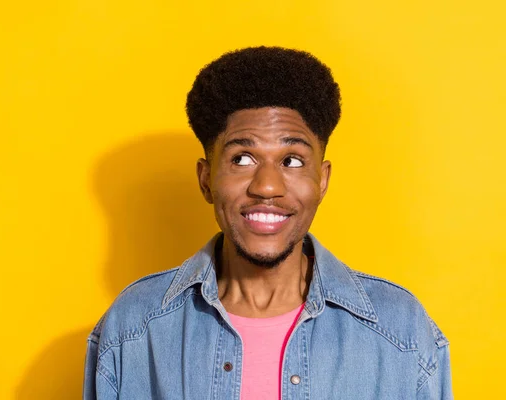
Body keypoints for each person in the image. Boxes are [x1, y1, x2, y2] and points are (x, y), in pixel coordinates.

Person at [83, 46, 452, 399]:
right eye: (242, 158)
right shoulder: (133, 327)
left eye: (292, 160)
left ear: (321, 181)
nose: (267, 186)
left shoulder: (400, 331)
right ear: (206, 179)